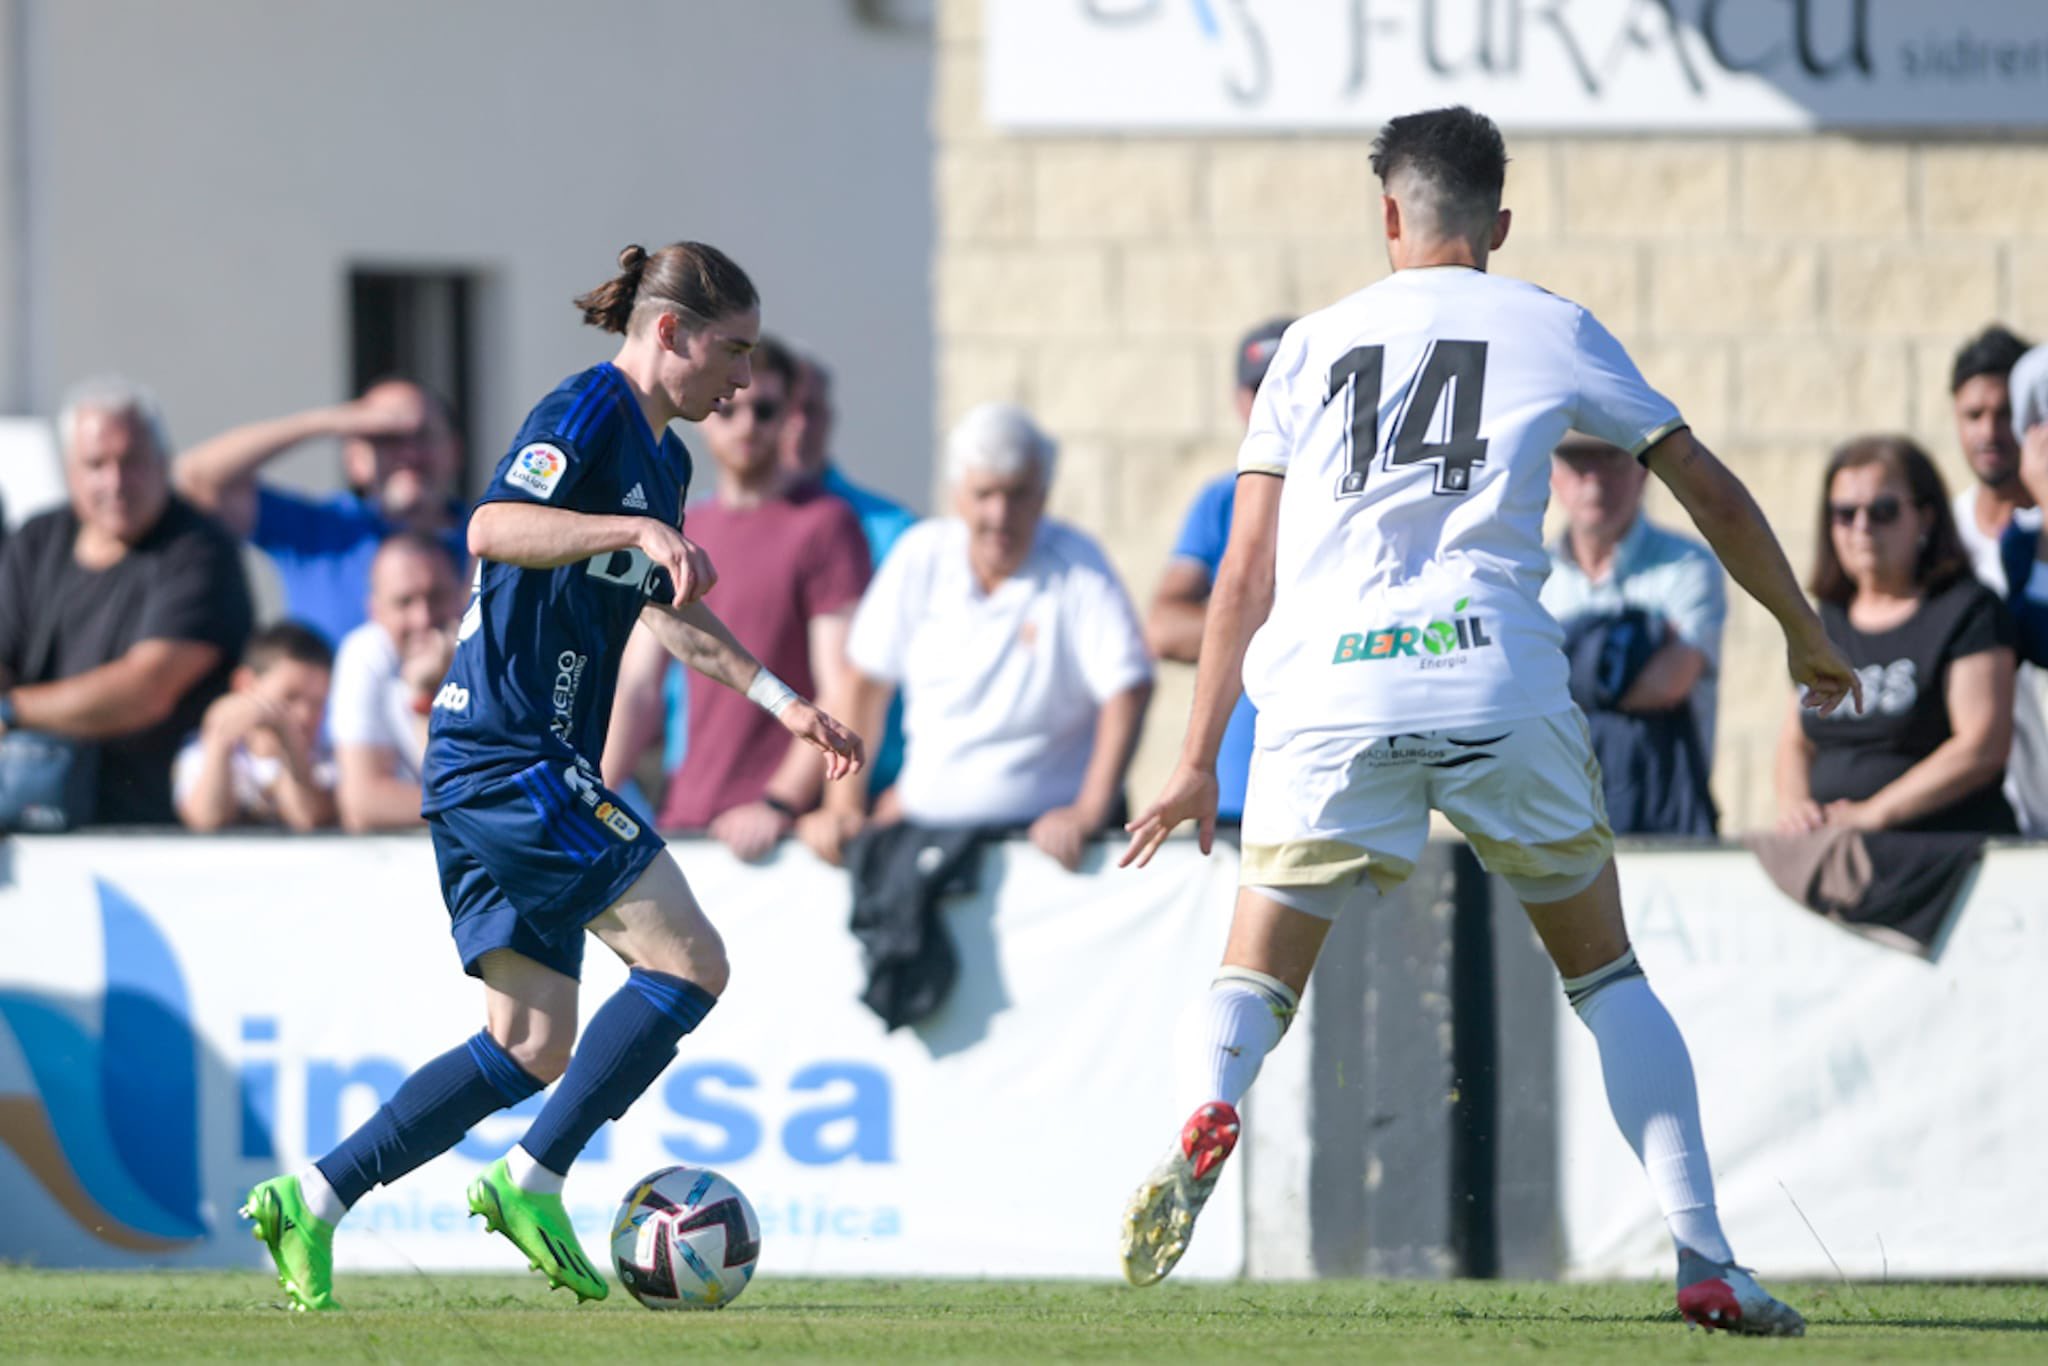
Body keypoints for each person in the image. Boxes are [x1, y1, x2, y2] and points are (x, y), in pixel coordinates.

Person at [1115, 106, 1857, 1336]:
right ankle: (1704, 1254)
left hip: (1327, 689)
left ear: (1389, 216)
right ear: (1498, 225)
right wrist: (1799, 627)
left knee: (1252, 970)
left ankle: (1212, 1099)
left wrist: (1196, 760)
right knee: (1608, 976)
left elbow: (1242, 569)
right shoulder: (1549, 322)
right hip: (1489, 673)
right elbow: (1708, 492)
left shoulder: (1308, 344)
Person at [238, 241, 863, 1312]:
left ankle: (313, 1196)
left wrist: (780, 702)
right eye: (734, 351)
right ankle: (532, 1177)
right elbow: (490, 528)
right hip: (509, 754)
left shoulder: (663, 464)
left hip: (503, 765)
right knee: (692, 963)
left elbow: (667, 613)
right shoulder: (587, 411)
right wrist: (630, 526)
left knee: (526, 1045)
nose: (746, 381)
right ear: (669, 332)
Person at [800, 402, 1154, 873]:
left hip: (1048, 855)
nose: (999, 514)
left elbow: (1128, 685)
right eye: (984, 493)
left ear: (1043, 495)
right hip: (923, 840)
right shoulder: (921, 555)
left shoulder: (1078, 563)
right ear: (956, 496)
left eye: (1017, 494)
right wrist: (842, 805)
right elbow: (863, 683)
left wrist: (1088, 811)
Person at [602, 336, 870, 861]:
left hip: (778, 837)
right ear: (706, 412)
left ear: (790, 416)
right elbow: (638, 683)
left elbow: (841, 686)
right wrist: (596, 790)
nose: (747, 425)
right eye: (731, 408)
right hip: (685, 816)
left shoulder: (825, 523)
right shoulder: (683, 527)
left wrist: (778, 803)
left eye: (765, 409)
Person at [0, 377, 252, 826]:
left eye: (130, 460)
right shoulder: (37, 539)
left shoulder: (201, 550)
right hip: (33, 824)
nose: (114, 481)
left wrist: (12, 710)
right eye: (96, 464)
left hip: (155, 839)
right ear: (69, 472)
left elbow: (146, 690)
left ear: (163, 460)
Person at [1775, 436, 2016, 836]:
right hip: (1837, 854)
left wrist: (1874, 814)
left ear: (1925, 517)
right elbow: (1795, 742)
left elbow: (1982, 745)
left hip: (1944, 859)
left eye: (1883, 511)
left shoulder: (1968, 610)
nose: (1862, 527)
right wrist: (1796, 808)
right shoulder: (1825, 623)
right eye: (1845, 513)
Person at [173, 377, 469, 647]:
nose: (409, 455)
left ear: (455, 450)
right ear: (355, 460)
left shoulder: (486, 540)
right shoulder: (320, 530)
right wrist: (326, 422)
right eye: (386, 439)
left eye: (423, 436)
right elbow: (195, 479)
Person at [1541, 433, 1727, 835]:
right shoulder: (1528, 576)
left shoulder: (1688, 565)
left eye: (1610, 460)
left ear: (1644, 472)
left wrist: (1556, 668)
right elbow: (1512, 692)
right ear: (1554, 476)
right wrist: (1636, 654)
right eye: (1580, 465)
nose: (1594, 482)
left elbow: (1670, 681)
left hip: (1665, 818)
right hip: (1554, 821)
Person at [1145, 318, 1292, 823]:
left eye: (1288, 385)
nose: (1277, 404)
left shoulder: (1354, 499)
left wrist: (1240, 621)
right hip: (1232, 791)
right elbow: (1164, 629)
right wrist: (1271, 615)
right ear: (1239, 402)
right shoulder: (1220, 501)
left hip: (1329, 790)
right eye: (1262, 389)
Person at [780, 348, 918, 795]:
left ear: (830, 418)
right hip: (729, 799)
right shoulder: (700, 528)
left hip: (864, 794)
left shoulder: (897, 534)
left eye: (811, 410)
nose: (798, 425)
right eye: (781, 410)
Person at [1941, 326, 2048, 834]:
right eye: (1973, 415)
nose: (1989, 432)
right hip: (1978, 821)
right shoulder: (1939, 538)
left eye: (2005, 414)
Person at [329, 532, 464, 832]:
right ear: (375, 611)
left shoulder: (489, 654)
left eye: (436, 597)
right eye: (405, 602)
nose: (423, 618)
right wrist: (423, 696)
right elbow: (362, 804)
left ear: (461, 596)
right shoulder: (365, 653)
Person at [173, 621, 337, 832]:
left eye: (317, 702)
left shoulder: (328, 759)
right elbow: (206, 820)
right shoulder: (201, 749)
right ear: (245, 684)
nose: (305, 715)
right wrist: (219, 737)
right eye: (290, 696)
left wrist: (290, 742)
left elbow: (308, 819)